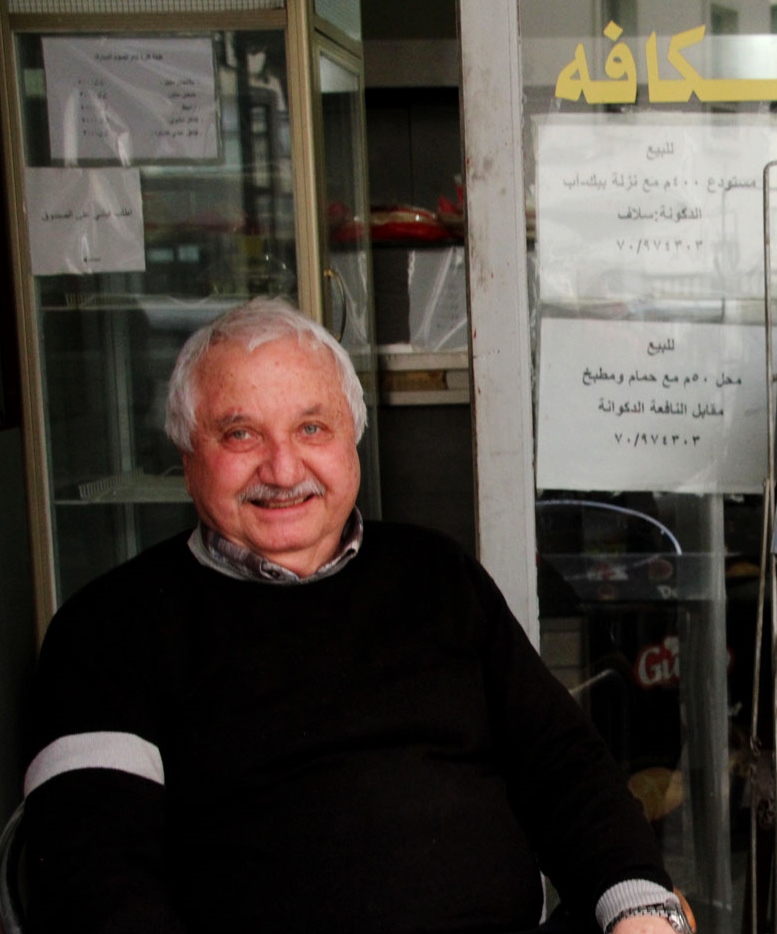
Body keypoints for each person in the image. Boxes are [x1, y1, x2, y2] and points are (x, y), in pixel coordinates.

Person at [21, 299, 690, 934]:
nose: (283, 469)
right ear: (188, 455)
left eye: (312, 428)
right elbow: (89, 870)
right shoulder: (108, 629)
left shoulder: (435, 575)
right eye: (240, 434)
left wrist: (636, 900)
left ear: (352, 440)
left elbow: (561, 764)